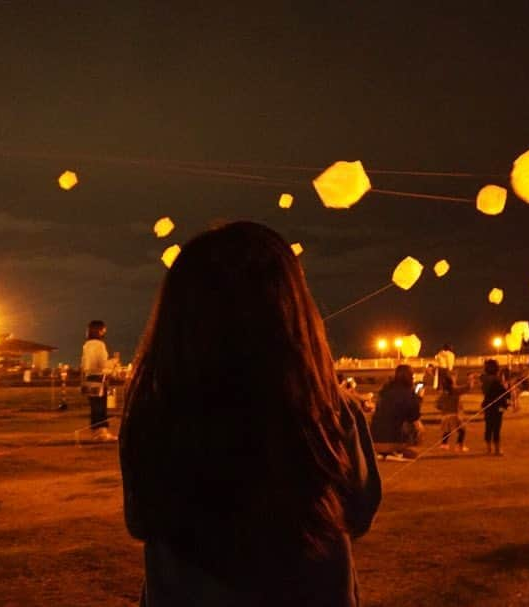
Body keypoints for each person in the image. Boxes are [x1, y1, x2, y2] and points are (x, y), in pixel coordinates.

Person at [119, 222, 380, 606]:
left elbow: (140, 520)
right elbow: (359, 512)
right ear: (292, 310)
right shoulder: (330, 412)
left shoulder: (154, 412)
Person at [372, 365, 423, 459]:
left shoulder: (385, 391)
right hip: (394, 440)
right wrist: (419, 398)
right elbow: (414, 417)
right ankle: (400, 449)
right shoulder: (408, 394)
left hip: (375, 440)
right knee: (417, 425)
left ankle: (387, 452)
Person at [82, 320, 117, 441]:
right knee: (101, 406)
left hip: (89, 377)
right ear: (99, 330)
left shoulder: (86, 345)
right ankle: (102, 433)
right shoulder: (100, 344)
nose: (104, 331)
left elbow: (85, 363)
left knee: (94, 406)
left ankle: (95, 432)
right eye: (103, 329)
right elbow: (102, 364)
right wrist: (113, 362)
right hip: (98, 377)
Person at [480, 359, 510, 455]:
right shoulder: (496, 381)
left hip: (488, 406)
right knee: (496, 428)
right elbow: (504, 393)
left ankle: (488, 448)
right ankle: (497, 449)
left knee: (488, 427)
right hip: (497, 407)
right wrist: (507, 388)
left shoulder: (485, 379)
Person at [436, 372, 467, 452]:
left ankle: (444, 444)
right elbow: (465, 388)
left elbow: (438, 405)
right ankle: (459, 445)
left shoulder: (443, 394)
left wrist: (443, 408)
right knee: (462, 430)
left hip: (445, 416)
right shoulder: (455, 391)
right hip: (454, 415)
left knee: (447, 431)